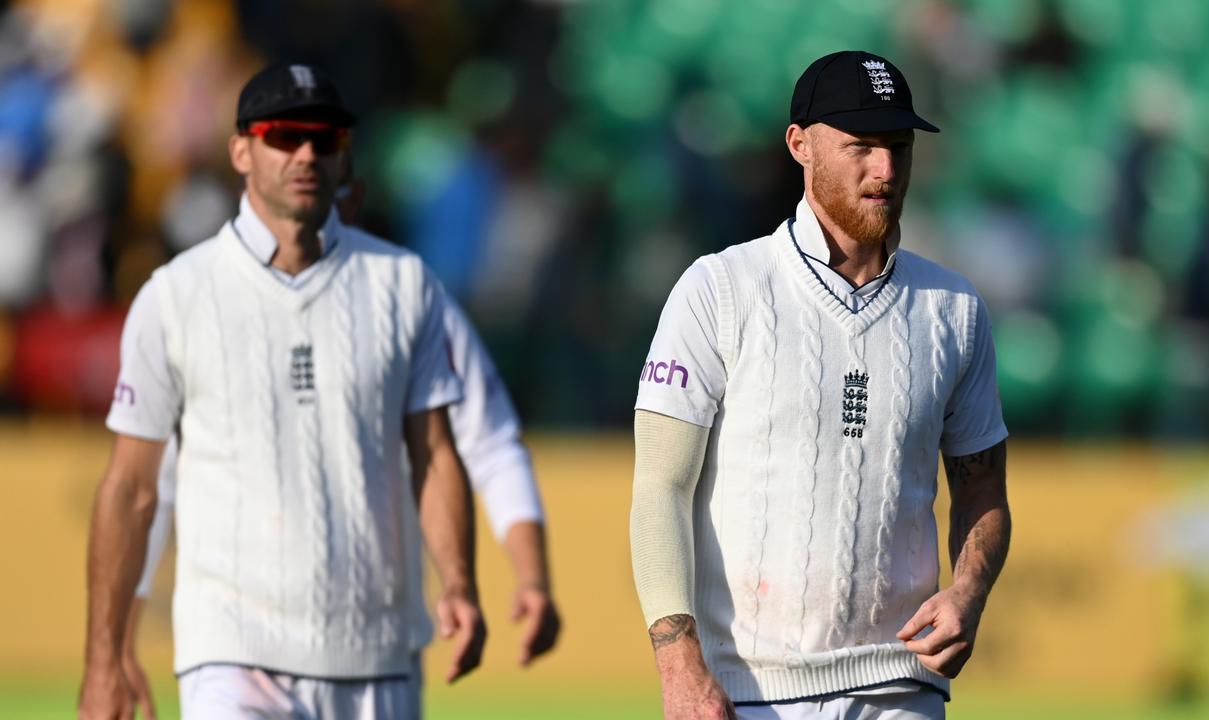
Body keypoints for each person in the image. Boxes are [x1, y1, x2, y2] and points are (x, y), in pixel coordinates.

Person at [80, 62, 488, 719]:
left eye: (325, 140)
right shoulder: (176, 295)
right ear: (241, 149)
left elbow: (435, 454)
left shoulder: (403, 285)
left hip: (376, 658)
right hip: (231, 655)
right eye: (285, 135)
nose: (306, 154)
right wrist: (105, 658)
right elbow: (130, 488)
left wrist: (460, 583)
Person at [629, 51, 1011, 720]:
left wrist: (968, 593)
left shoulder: (954, 308)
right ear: (799, 145)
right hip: (749, 692)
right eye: (861, 146)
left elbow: (982, 486)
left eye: (898, 146)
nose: (886, 170)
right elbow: (660, 486)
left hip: (903, 685)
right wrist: (678, 661)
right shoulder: (721, 289)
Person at [116, 155, 561, 720]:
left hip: (370, 644)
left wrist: (529, 577)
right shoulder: (201, 294)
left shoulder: (411, 300)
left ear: (352, 195)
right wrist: (118, 639)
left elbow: (490, 445)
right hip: (235, 643)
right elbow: (154, 482)